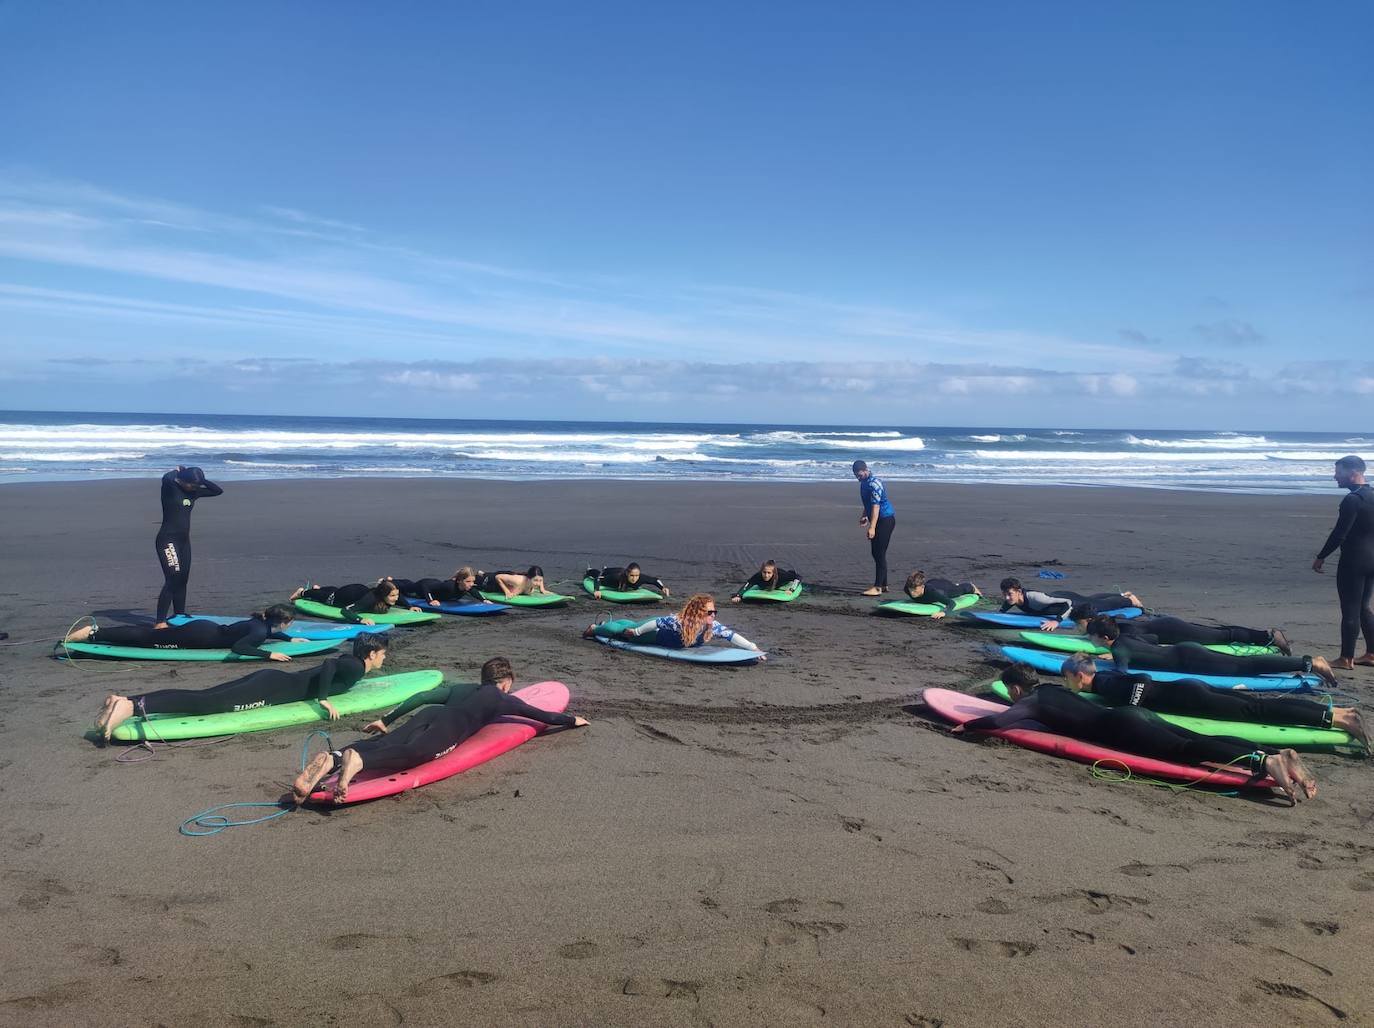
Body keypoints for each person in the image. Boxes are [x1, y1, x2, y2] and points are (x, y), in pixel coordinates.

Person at [956, 663, 1315, 805]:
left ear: (1016, 689)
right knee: (1187, 735)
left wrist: (966, 725)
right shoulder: (1051, 690)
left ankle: (1262, 760)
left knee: (1185, 748)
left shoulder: (1028, 704)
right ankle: (1271, 752)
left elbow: (1000, 723)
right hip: (1132, 713)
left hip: (1119, 728)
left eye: (1012, 693)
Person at [291, 656, 588, 804]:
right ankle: (359, 762)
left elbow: (423, 697)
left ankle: (336, 757)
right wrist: (572, 720)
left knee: (389, 743)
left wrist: (387, 720)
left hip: (431, 714)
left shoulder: (462, 687)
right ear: (507, 682)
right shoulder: (502, 699)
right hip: (451, 727)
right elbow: (539, 714)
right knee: (414, 754)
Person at [92, 633, 390, 741]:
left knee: (205, 696)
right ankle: (131, 706)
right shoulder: (355, 666)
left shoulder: (354, 663)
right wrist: (324, 699)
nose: (384, 658)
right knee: (207, 704)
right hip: (268, 691)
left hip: (270, 681)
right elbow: (329, 666)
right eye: (383, 653)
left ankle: (126, 700)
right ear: (372, 654)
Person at [1057, 652, 1368, 748]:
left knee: (1256, 710)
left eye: (1066, 678)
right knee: (1258, 704)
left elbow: (1141, 681)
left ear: (1079, 675)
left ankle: (1340, 718)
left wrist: (1131, 708)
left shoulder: (1104, 682)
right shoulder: (1102, 681)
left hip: (1188, 698)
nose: (1067, 684)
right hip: (1188, 690)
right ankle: (1338, 711)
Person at [1085, 616, 1337, 688]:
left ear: (1104, 638)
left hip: (1191, 661)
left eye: (1091, 635)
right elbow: (1151, 639)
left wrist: (1096, 672)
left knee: (1246, 666)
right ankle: (1307, 662)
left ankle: (1310, 663)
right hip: (1184, 652)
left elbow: (1121, 674)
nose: (1089, 638)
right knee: (1244, 663)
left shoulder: (1119, 650)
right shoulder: (1126, 638)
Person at [1313, 455, 1374, 670]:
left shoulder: (1353, 499)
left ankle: (1345, 659)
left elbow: (1340, 534)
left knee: (1350, 609)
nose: (1334, 477)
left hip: (1354, 561)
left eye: (1338, 472)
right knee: (1364, 607)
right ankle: (1371, 654)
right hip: (1372, 561)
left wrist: (1321, 556)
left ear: (1353, 473)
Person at [64, 605, 303, 659]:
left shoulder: (260, 624)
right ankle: (95, 633)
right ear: (281, 621)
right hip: (196, 637)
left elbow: (266, 633)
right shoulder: (260, 632)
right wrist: (269, 656)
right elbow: (240, 647)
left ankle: (98, 632)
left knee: (150, 634)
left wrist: (289, 638)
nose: (290, 626)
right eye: (290, 624)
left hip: (204, 628)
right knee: (147, 639)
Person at [583, 593, 766, 658]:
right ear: (698, 613)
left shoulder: (714, 626)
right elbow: (655, 623)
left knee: (628, 625)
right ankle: (596, 629)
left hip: (658, 633)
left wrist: (753, 648)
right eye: (709, 612)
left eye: (714, 612)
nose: (713, 615)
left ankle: (608, 624)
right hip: (653, 633)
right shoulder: (680, 622)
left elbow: (732, 636)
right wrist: (637, 632)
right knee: (623, 631)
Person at [154, 465, 223, 626]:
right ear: (182, 479)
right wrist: (177, 470)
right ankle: (159, 622)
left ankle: (179, 615)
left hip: (184, 542)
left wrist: (202, 480)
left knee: (183, 579)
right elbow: (167, 476)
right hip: (167, 540)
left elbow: (217, 491)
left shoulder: (194, 492)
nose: (194, 488)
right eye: (191, 484)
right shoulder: (170, 488)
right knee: (172, 579)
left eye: (196, 485)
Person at [998, 578, 1142, 630]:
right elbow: (1006, 604)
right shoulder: (1013, 598)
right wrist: (1000, 613)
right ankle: (1121, 594)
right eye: (1004, 593)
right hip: (1058, 596)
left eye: (1009, 593)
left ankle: (1129, 600)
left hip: (1069, 601)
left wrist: (1057, 621)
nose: (1007, 597)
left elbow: (1068, 603)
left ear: (1019, 591)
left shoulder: (1036, 598)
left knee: (1098, 605)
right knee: (1091, 598)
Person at [1111, 614, 1291, 655]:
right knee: (1221, 632)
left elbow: (1151, 641)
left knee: (1223, 635)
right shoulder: (1117, 622)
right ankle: (1265, 636)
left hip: (1174, 631)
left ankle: (1269, 637)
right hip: (1169, 624)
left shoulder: (1127, 633)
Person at [852, 460, 896, 596]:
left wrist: (872, 528)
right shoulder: (864, 483)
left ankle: (877, 588)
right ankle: (884, 585)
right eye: (856, 476)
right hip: (878, 520)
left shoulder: (874, 484)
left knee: (879, 553)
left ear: (866, 470)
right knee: (877, 553)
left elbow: (876, 507)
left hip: (885, 520)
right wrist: (864, 515)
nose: (858, 478)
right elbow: (868, 504)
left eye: (859, 475)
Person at [291, 579, 422, 624]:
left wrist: (409, 606)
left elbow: (400, 598)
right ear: (383, 595)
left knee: (331, 590)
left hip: (356, 591)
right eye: (392, 595)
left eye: (396, 595)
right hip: (343, 596)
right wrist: (360, 620)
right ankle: (302, 592)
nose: (396, 598)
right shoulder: (370, 599)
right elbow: (346, 610)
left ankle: (317, 588)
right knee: (328, 597)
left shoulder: (384, 595)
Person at [903, 571, 981, 619]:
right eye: (911, 590)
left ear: (922, 587)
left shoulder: (931, 592)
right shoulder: (907, 589)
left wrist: (943, 612)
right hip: (933, 582)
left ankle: (971, 586)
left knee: (959, 590)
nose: (912, 593)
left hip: (945, 589)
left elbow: (951, 603)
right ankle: (955, 584)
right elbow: (912, 587)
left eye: (915, 590)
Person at [391, 567, 487, 606]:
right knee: (407, 588)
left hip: (435, 584)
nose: (471, 584)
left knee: (409, 584)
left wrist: (483, 600)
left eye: (472, 581)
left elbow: (473, 591)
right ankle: (388, 581)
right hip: (423, 586)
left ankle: (391, 580)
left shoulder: (466, 586)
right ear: (459, 581)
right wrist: (430, 600)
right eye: (468, 581)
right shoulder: (449, 586)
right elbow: (425, 586)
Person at [586, 563, 670, 599]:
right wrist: (596, 590)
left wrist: (663, 588)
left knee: (618, 570)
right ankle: (590, 570)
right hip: (616, 573)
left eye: (636, 575)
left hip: (622, 571)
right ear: (627, 574)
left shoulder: (641, 578)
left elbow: (655, 580)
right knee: (601, 573)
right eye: (632, 575)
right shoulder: (617, 578)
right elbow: (598, 579)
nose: (634, 578)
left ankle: (606, 568)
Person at [731, 560, 801, 602]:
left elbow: (798, 577)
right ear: (761, 571)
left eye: (769, 573)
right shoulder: (758, 576)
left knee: (790, 574)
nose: (766, 575)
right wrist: (738, 595)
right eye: (764, 572)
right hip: (769, 585)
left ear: (773, 573)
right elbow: (748, 584)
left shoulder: (782, 576)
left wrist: (791, 589)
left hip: (781, 582)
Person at [476, 566, 552, 598]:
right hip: (490, 582)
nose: (538, 583)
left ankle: (483, 573)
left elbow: (539, 578)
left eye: (540, 580)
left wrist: (542, 589)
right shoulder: (518, 581)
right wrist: (507, 592)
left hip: (508, 576)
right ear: (529, 578)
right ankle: (482, 575)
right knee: (476, 580)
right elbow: (497, 577)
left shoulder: (536, 579)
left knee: (507, 573)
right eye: (535, 581)